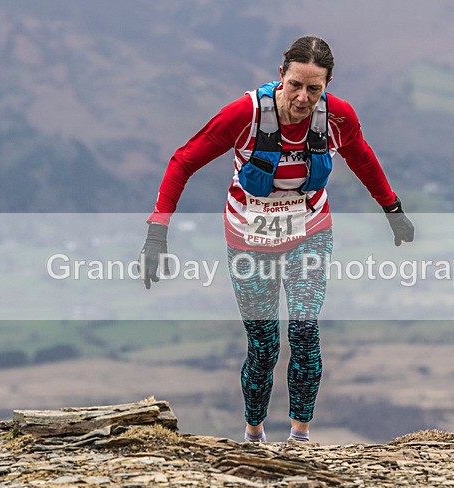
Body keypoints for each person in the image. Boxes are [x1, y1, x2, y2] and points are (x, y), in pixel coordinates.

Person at [140, 35, 414, 444]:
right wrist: (157, 232)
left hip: (309, 232)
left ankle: (300, 437)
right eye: (296, 85)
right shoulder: (245, 115)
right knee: (263, 346)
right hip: (248, 238)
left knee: (304, 330)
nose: (303, 98)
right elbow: (184, 160)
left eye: (315, 89)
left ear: (328, 85)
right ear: (280, 76)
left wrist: (392, 209)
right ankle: (254, 433)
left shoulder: (338, 118)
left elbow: (361, 157)